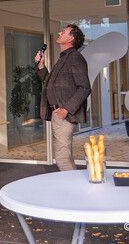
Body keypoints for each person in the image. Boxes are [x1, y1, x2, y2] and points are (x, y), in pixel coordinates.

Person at [36, 24, 90, 171]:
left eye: (64, 32)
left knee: (62, 157)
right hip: (58, 113)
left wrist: (66, 109)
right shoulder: (64, 58)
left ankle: (73, 190)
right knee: (63, 155)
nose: (59, 33)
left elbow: (84, 88)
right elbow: (50, 83)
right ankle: (73, 188)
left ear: (71, 38)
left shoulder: (75, 58)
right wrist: (41, 66)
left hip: (64, 114)